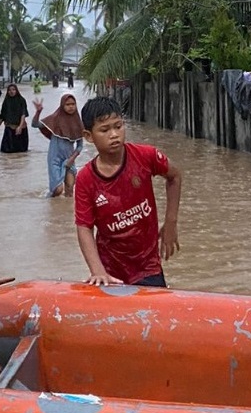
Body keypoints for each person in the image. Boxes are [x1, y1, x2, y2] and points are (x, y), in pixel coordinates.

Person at [74, 96, 181, 287]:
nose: (114, 134)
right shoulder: (85, 179)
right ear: (89, 136)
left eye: (118, 126)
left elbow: (175, 176)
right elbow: (84, 227)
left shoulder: (145, 156)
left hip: (148, 266)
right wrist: (97, 271)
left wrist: (171, 222)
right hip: (110, 271)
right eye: (105, 130)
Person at [32, 94, 82, 197]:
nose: (71, 107)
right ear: (62, 105)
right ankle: (52, 205)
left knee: (70, 188)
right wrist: (38, 112)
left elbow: (80, 146)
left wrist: (72, 158)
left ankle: (66, 212)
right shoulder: (55, 119)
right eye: (67, 104)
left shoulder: (78, 122)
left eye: (73, 104)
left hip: (69, 159)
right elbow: (35, 124)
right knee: (58, 190)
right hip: (54, 159)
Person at [0, 83, 29, 153]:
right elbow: (2, 116)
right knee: (6, 152)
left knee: (21, 153)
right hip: (9, 129)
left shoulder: (21, 100)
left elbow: (23, 114)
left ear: (16, 91)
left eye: (13, 90)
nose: (11, 91)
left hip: (21, 130)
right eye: (9, 90)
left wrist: (20, 127)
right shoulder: (6, 101)